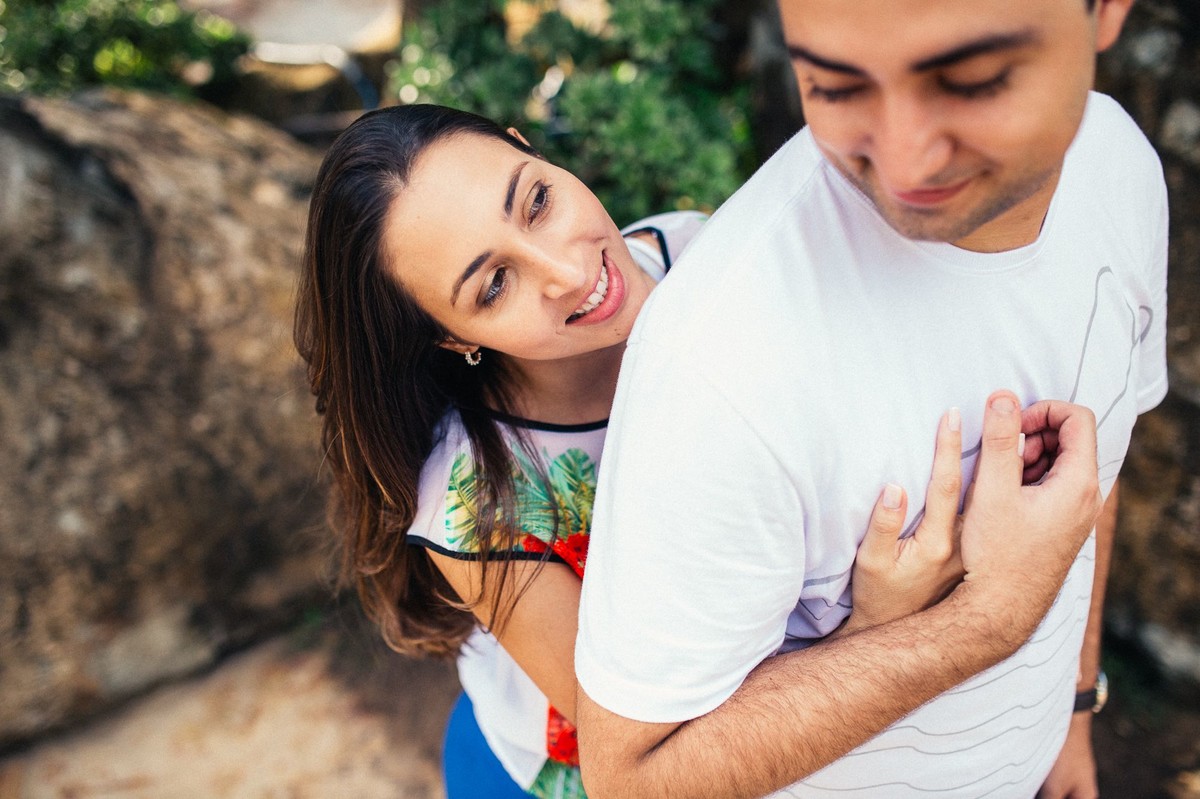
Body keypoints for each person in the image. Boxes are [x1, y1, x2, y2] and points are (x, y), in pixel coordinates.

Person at [293, 104, 984, 798]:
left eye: (537, 201)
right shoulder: (475, 504)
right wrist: (875, 624)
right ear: (451, 338)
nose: (565, 270)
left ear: (528, 147)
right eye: (495, 285)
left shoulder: (701, 253)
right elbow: (648, 747)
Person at [573, 0, 1167, 797]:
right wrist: (986, 619)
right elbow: (632, 778)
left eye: (974, 81)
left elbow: (1096, 471)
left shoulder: (1118, 164)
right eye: (835, 86)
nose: (907, 160)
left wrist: (1074, 704)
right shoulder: (721, 359)